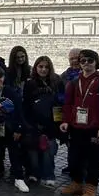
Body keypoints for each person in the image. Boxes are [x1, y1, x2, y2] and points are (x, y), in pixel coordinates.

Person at [60, 49, 99, 196]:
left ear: (96, 62)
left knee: (93, 159)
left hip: (95, 127)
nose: (86, 64)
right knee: (74, 157)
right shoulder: (73, 82)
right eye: (83, 61)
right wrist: (65, 120)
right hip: (76, 126)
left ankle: (91, 186)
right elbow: (68, 103)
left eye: (90, 60)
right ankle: (77, 182)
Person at [23, 56, 64, 188]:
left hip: (51, 122)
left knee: (49, 150)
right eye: (40, 66)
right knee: (33, 150)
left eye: (46, 67)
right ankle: (34, 173)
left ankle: (49, 175)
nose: (43, 69)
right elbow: (26, 105)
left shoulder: (57, 82)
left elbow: (61, 102)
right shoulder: (30, 83)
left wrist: (57, 123)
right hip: (34, 122)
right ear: (36, 68)